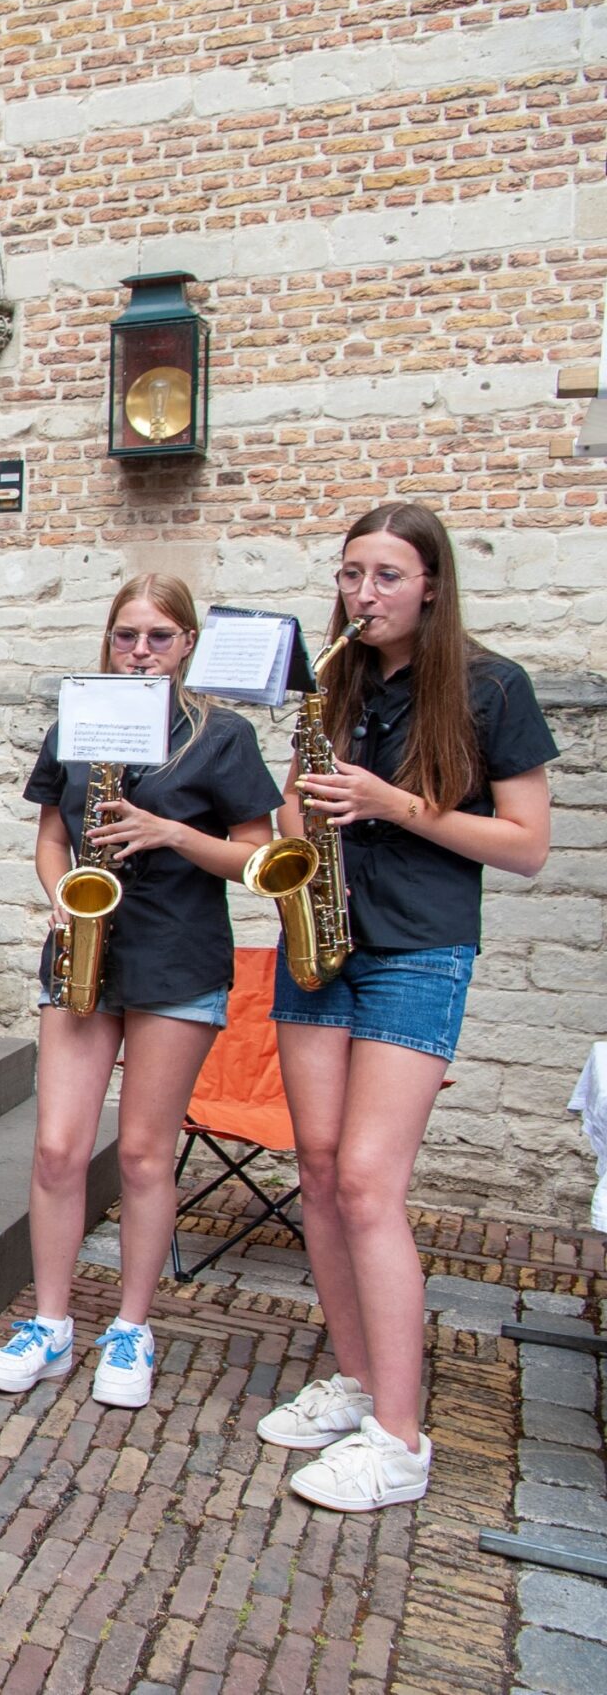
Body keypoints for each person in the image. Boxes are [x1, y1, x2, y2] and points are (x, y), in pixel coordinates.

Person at [257, 503, 555, 1513]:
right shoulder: (332, 680)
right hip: (319, 940)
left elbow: (525, 842)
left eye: (384, 576)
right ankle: (352, 1378)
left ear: (430, 582)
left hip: (418, 944)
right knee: (319, 1168)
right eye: (349, 574)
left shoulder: (489, 684)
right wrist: (300, 818)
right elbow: (294, 800)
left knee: (373, 1183)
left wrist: (395, 805)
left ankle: (400, 1433)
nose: (362, 595)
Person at [0, 575, 280, 1409]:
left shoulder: (223, 736)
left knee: (144, 1154)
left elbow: (259, 856)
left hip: (177, 958)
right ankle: (51, 1323)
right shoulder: (78, 719)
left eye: (159, 636)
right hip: (85, 950)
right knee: (58, 1148)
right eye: (126, 635)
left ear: (187, 646)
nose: (140, 651)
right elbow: (50, 836)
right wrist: (63, 895)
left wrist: (170, 831)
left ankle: (133, 1328)